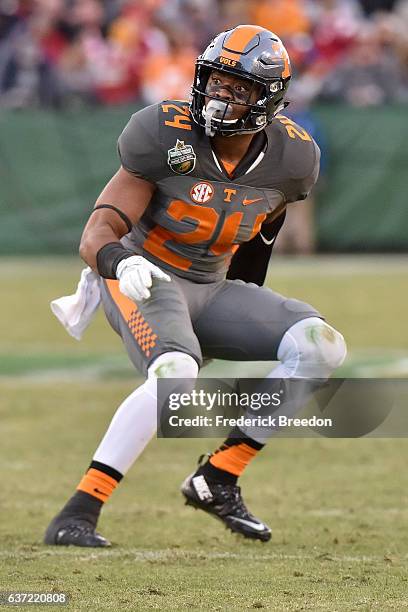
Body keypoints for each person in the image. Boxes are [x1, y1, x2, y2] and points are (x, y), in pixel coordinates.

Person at [44, 24, 346, 547]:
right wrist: (120, 263)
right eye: (217, 81)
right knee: (175, 373)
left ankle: (219, 477)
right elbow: (98, 233)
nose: (221, 95)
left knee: (322, 347)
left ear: (268, 98)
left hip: (211, 286)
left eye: (238, 87)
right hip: (144, 275)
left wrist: (240, 313)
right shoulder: (164, 132)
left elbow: (259, 239)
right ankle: (79, 512)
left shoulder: (293, 160)